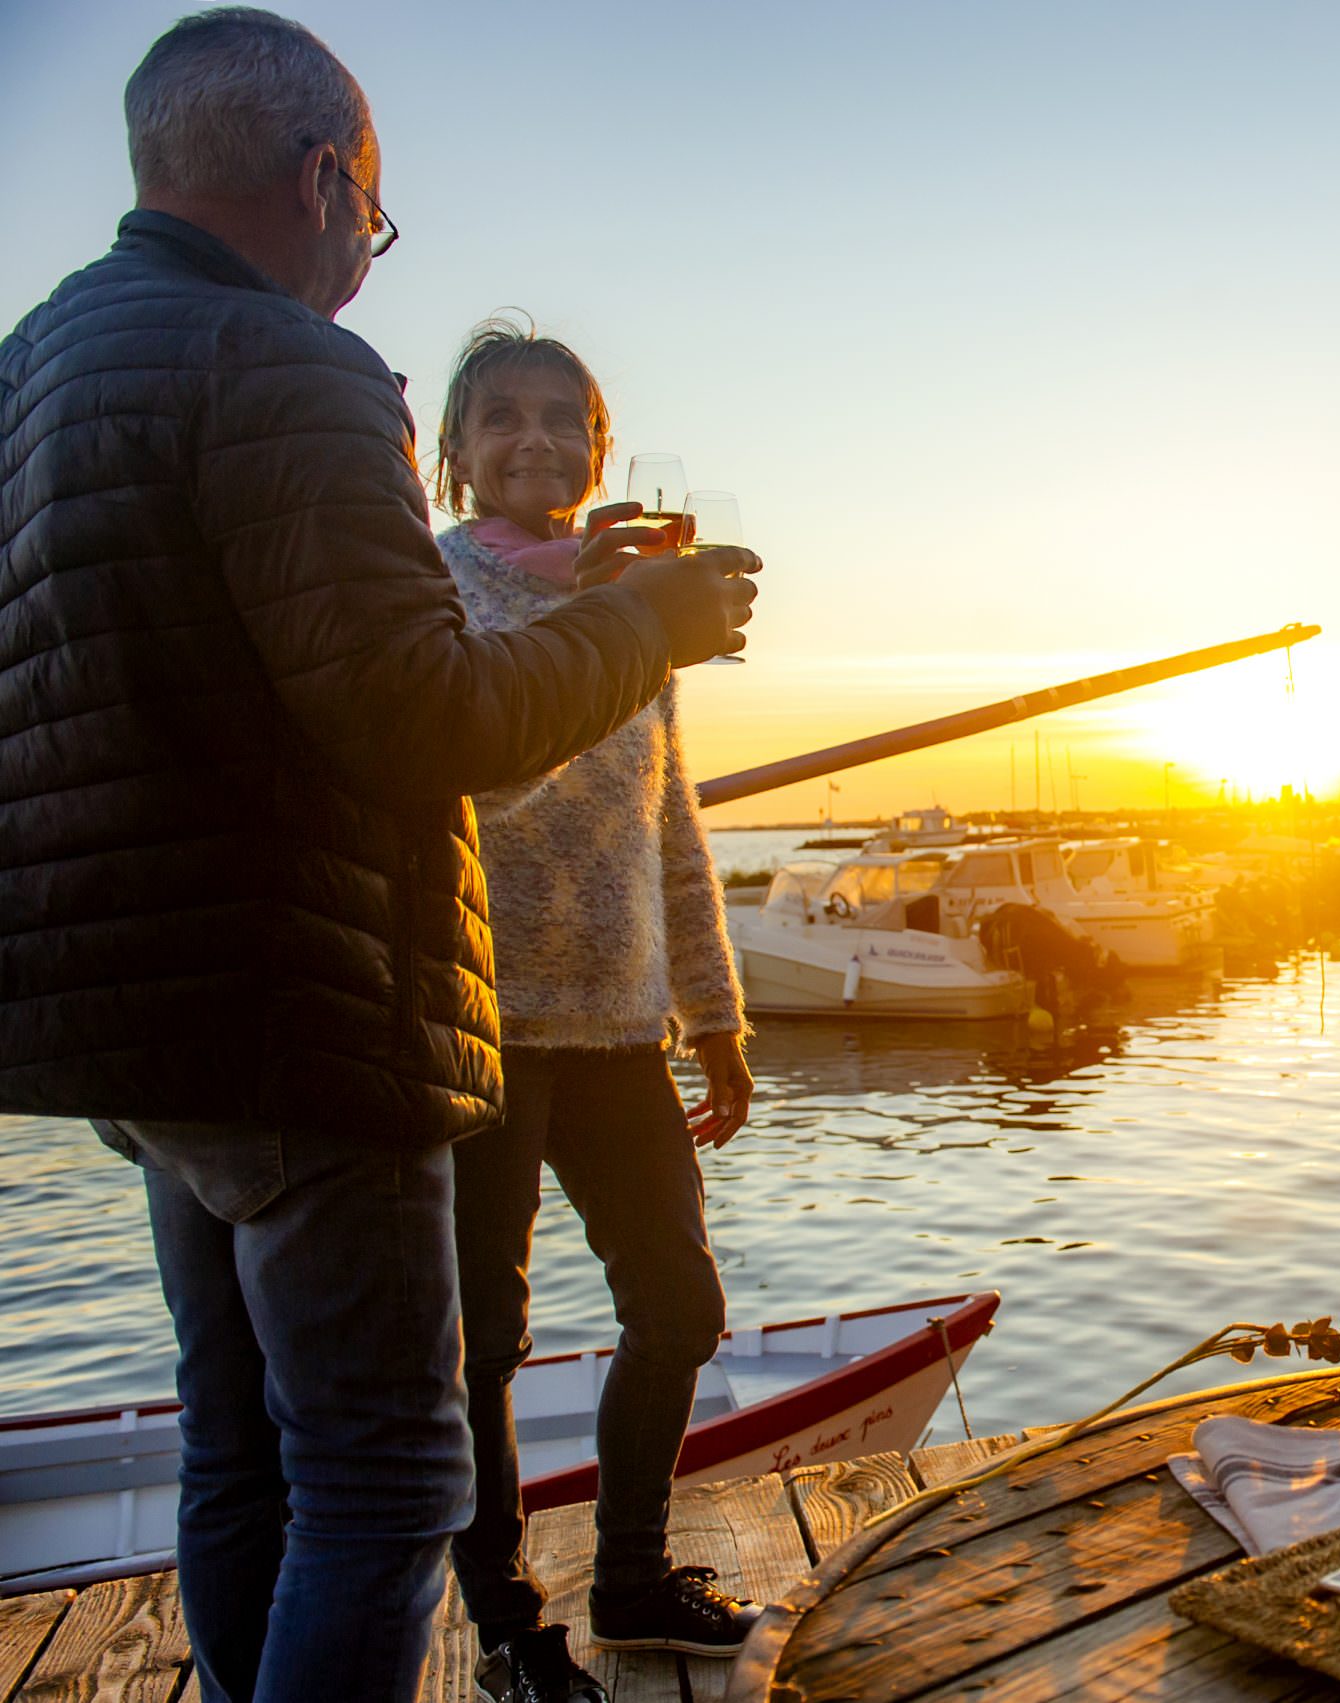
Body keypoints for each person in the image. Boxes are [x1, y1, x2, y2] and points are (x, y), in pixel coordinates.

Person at [0, 12, 757, 1700]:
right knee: (386, 1474)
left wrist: (602, 605)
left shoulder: (34, 357)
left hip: (127, 1012)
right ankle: (511, 1631)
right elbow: (426, 712)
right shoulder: (288, 364)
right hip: (298, 1004)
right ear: (323, 178)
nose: (364, 256)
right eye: (373, 213)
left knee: (242, 1444)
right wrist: (645, 615)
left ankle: (598, 1582)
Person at [430, 319, 760, 1702]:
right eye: (501, 418)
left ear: (600, 450)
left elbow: (669, 826)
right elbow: (471, 770)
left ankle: (629, 1572)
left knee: (679, 1304)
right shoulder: (433, 592)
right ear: (453, 456)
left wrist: (720, 1012)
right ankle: (507, 1623)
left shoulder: (640, 613)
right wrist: (604, 618)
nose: (537, 442)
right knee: (480, 1342)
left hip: (623, 1026)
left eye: (566, 420)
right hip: (484, 1022)